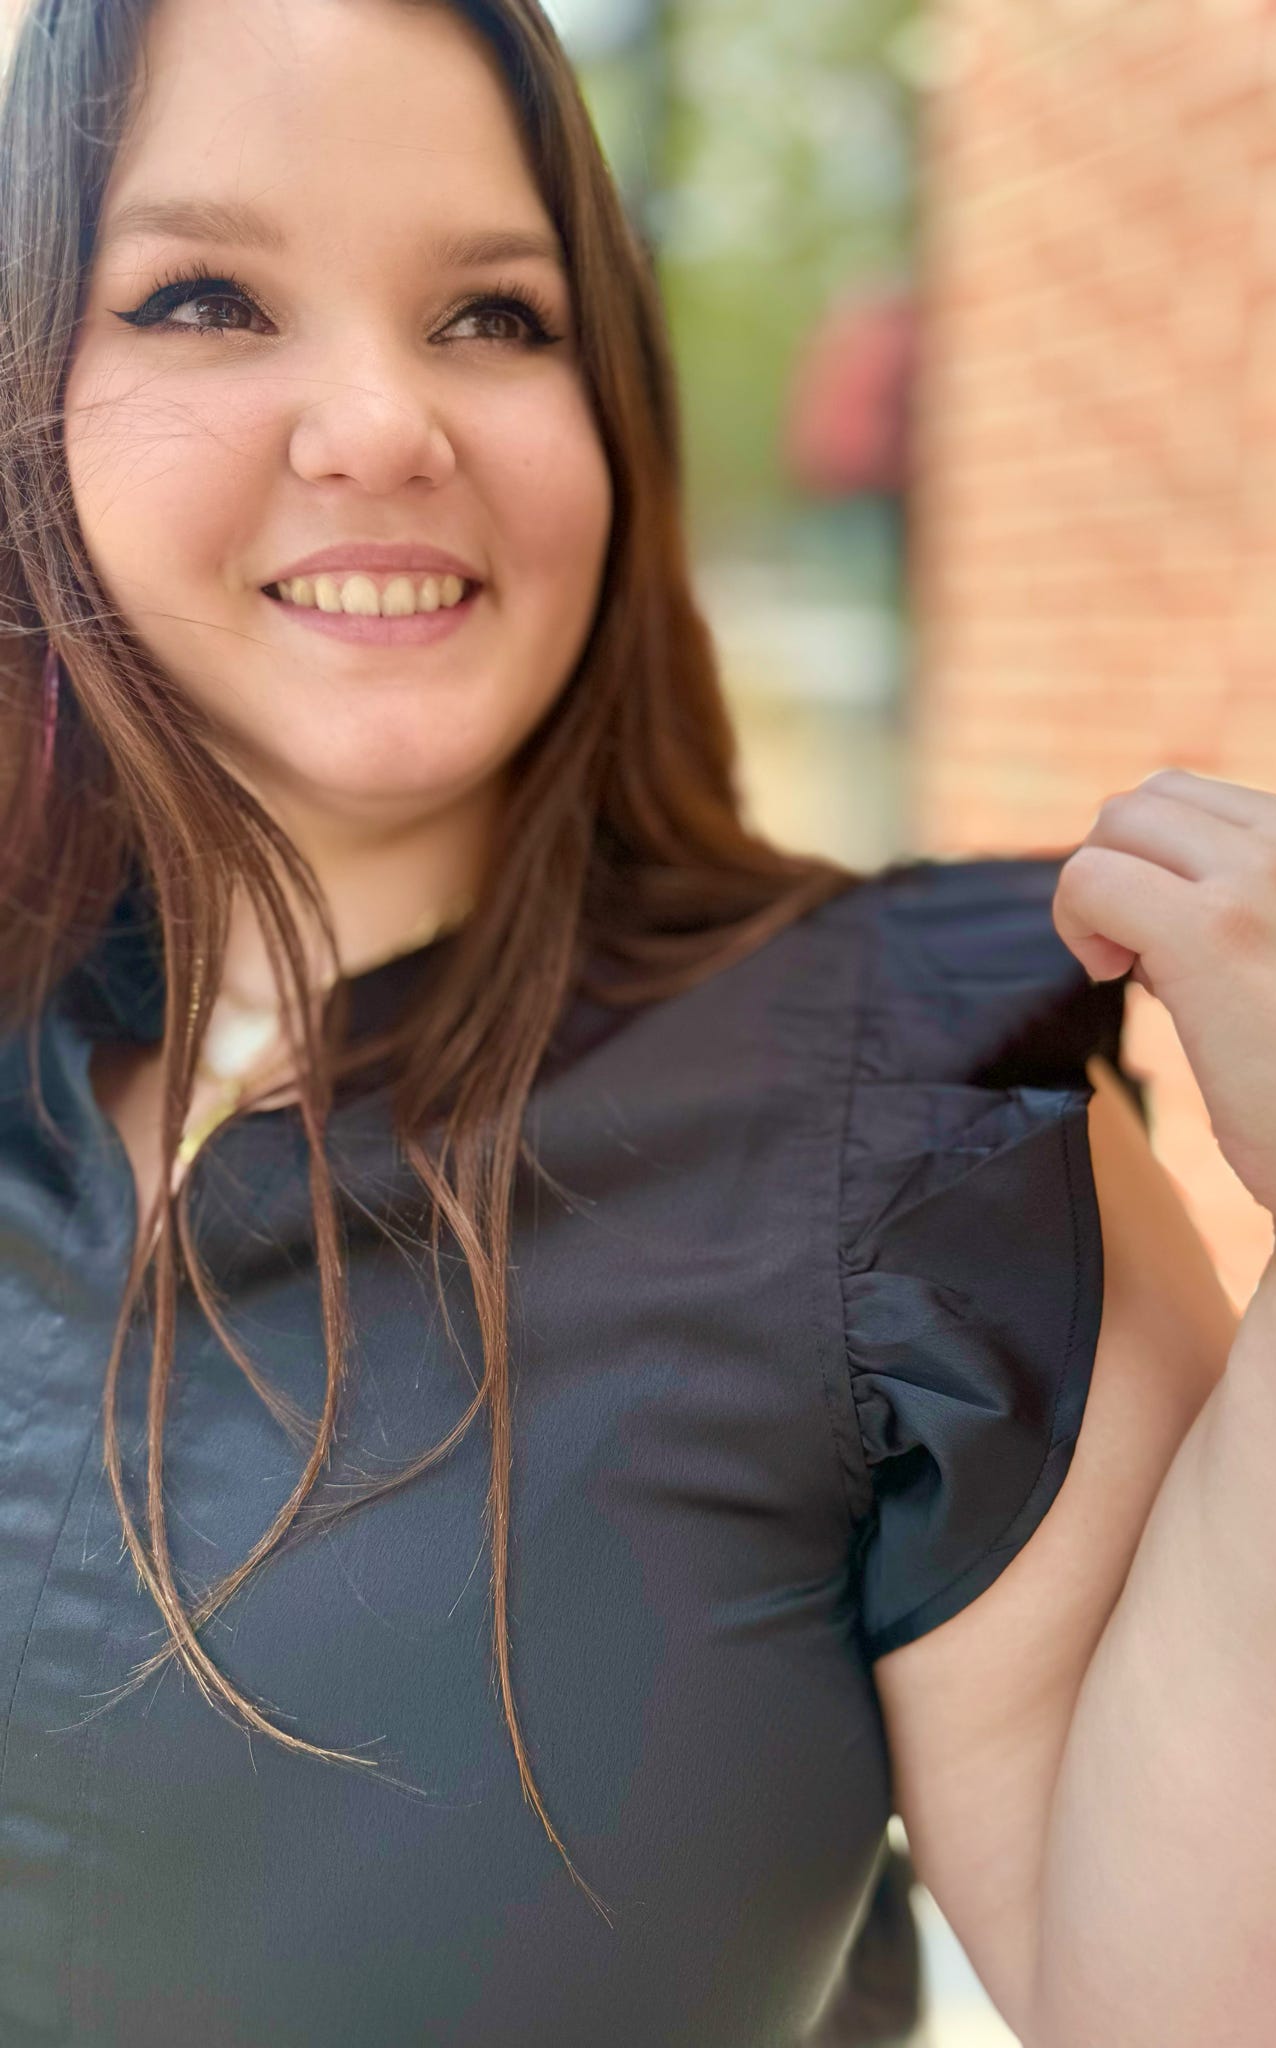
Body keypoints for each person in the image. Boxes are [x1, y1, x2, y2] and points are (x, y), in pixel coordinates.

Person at [0, 2, 1194, 2042]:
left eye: (494, 314)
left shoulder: (922, 1114)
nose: (383, 419)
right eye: (204, 295)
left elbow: (1189, 1985)